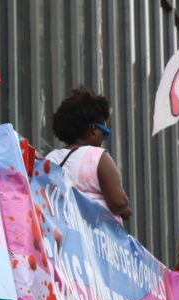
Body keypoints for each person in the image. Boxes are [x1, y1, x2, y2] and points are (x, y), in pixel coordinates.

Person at [46, 87, 132, 222]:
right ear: (93, 129)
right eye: (105, 132)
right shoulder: (97, 156)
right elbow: (118, 203)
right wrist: (125, 209)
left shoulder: (51, 158)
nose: (103, 139)